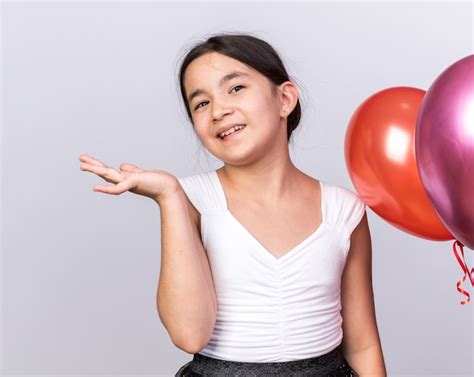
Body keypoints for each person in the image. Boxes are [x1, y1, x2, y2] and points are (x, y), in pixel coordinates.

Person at [79, 32, 386, 376]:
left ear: (285, 99)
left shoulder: (344, 210)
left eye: (236, 88)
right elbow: (189, 334)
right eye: (201, 103)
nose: (219, 110)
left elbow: (363, 344)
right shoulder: (192, 199)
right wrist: (170, 197)